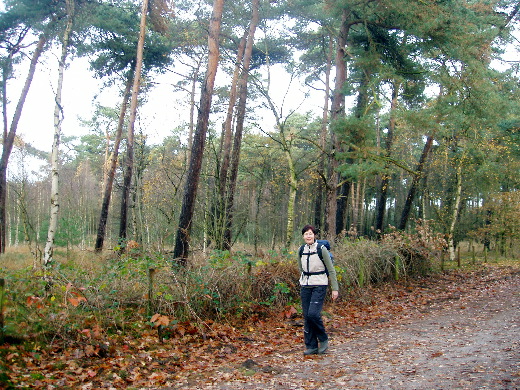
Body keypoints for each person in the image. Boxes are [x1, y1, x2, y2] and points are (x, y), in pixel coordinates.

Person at [298, 224, 339, 355]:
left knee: (313, 314)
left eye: (310, 233)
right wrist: (303, 281)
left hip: (320, 284)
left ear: (314, 235)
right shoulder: (301, 250)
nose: (308, 236)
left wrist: (335, 288)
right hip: (306, 285)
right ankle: (311, 346)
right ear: (303, 236)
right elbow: (301, 268)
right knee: (307, 317)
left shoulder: (321, 249)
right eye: (306, 234)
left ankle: (323, 338)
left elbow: (331, 270)